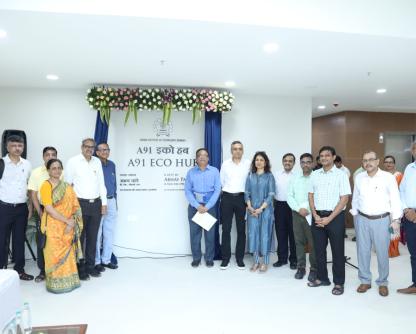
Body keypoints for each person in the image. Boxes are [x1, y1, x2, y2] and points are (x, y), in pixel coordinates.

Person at [351, 151, 401, 297]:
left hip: (382, 220)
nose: (368, 163)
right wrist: (355, 216)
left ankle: (383, 282)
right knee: (363, 252)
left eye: (371, 160)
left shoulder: (388, 177)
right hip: (362, 219)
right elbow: (355, 198)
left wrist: (396, 219)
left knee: (382, 253)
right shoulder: (359, 177)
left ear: (378, 161)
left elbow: (395, 199)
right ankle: (365, 280)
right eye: (365, 160)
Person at [307, 146, 351, 296]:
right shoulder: (314, 174)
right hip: (318, 216)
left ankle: (338, 283)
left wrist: (329, 218)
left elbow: (344, 199)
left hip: (335, 217)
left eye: (327, 155)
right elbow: (311, 195)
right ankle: (322, 278)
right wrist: (315, 214)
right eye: (321, 156)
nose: (324, 158)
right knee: (319, 250)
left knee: (337, 251)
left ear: (333, 157)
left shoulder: (341, 175)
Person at [66, 138, 107, 280]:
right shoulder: (73, 161)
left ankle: (90, 266)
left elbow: (101, 183)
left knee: (93, 237)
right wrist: (70, 207)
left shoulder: (97, 162)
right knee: (79, 238)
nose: (89, 149)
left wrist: (104, 203)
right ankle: (79, 267)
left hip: (96, 204)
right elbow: (67, 185)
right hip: (80, 205)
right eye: (86, 146)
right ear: (81, 147)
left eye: (92, 147)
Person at [40, 159, 83, 293]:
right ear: (48, 170)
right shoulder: (46, 185)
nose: (57, 171)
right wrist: (67, 221)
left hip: (68, 226)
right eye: (53, 168)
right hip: (53, 227)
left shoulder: (67, 187)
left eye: (59, 168)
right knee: (54, 255)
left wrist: (72, 222)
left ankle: (70, 281)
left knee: (68, 255)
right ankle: (55, 284)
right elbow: (49, 208)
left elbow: (75, 206)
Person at [0, 135, 33, 280]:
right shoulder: (1, 163)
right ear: (7, 147)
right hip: (4, 208)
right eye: (13, 145)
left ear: (23, 147)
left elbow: (30, 188)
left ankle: (19, 270)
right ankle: (1, 270)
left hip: (21, 208)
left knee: (19, 240)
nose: (17, 148)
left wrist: (30, 207)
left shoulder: (27, 164)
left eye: (20, 145)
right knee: (2, 239)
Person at [28, 146, 60, 282]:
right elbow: (33, 194)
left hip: (59, 210)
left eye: (53, 154)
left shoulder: (60, 171)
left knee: (57, 240)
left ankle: (57, 269)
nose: (50, 156)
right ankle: (42, 271)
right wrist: (40, 211)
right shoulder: (36, 172)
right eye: (47, 154)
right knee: (43, 241)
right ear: (43, 157)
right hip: (43, 209)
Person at [185, 148, 221, 267]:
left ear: (208, 158)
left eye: (205, 155)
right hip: (195, 206)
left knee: (210, 235)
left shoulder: (214, 171)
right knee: (195, 234)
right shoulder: (191, 172)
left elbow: (217, 190)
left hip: (209, 207)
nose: (202, 157)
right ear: (196, 158)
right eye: (200, 155)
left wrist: (208, 206)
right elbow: (188, 191)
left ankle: (209, 258)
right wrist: (197, 205)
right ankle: (196, 258)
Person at [220, 141, 250, 269]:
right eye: (235, 149)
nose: (237, 151)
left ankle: (239, 258)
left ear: (243, 151)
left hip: (241, 199)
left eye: (240, 149)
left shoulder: (248, 164)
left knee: (241, 230)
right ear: (231, 151)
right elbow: (222, 182)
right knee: (226, 230)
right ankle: (225, 258)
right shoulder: (225, 164)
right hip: (227, 197)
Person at [287, 153, 317, 281]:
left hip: (313, 214)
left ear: (312, 163)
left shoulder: (316, 177)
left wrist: (309, 209)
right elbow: (289, 195)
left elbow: (320, 195)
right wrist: (299, 209)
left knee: (313, 243)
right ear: (300, 164)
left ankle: (314, 269)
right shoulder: (294, 178)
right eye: (303, 162)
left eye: (308, 162)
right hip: (297, 213)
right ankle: (301, 267)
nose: (305, 164)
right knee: (298, 242)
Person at [245, 151, 276, 272]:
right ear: (254, 162)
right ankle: (256, 261)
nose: (259, 162)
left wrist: (261, 208)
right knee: (253, 235)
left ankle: (265, 262)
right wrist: (250, 207)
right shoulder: (250, 175)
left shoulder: (269, 176)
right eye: (257, 160)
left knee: (265, 235)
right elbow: (246, 193)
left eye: (261, 160)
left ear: (265, 162)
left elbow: (271, 194)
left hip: (266, 211)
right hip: (252, 211)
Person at [95, 143, 118, 270]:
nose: (105, 152)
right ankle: (96, 261)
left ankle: (106, 259)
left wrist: (115, 201)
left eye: (107, 149)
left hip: (111, 201)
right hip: (99, 202)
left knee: (109, 232)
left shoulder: (112, 165)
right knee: (97, 233)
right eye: (102, 150)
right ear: (97, 152)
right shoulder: (94, 164)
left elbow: (114, 185)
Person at [397, 142, 416, 294]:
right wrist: (406, 209)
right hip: (409, 215)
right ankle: (415, 284)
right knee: (414, 252)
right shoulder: (409, 168)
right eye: (415, 148)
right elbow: (401, 191)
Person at [273, 153, 297, 269]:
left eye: (290, 161)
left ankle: (293, 260)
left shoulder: (298, 175)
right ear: (282, 162)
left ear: (294, 163)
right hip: (279, 206)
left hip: (293, 207)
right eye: (285, 160)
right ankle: (282, 259)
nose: (288, 162)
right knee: (280, 233)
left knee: (293, 234)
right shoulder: (276, 174)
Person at [383, 155, 403, 257]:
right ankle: (383, 250)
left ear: (394, 164)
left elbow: (402, 192)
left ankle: (394, 251)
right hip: (383, 207)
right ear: (383, 164)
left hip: (395, 207)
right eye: (386, 162)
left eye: (391, 162)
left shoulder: (399, 175)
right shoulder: (381, 176)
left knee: (394, 229)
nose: (389, 164)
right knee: (383, 229)